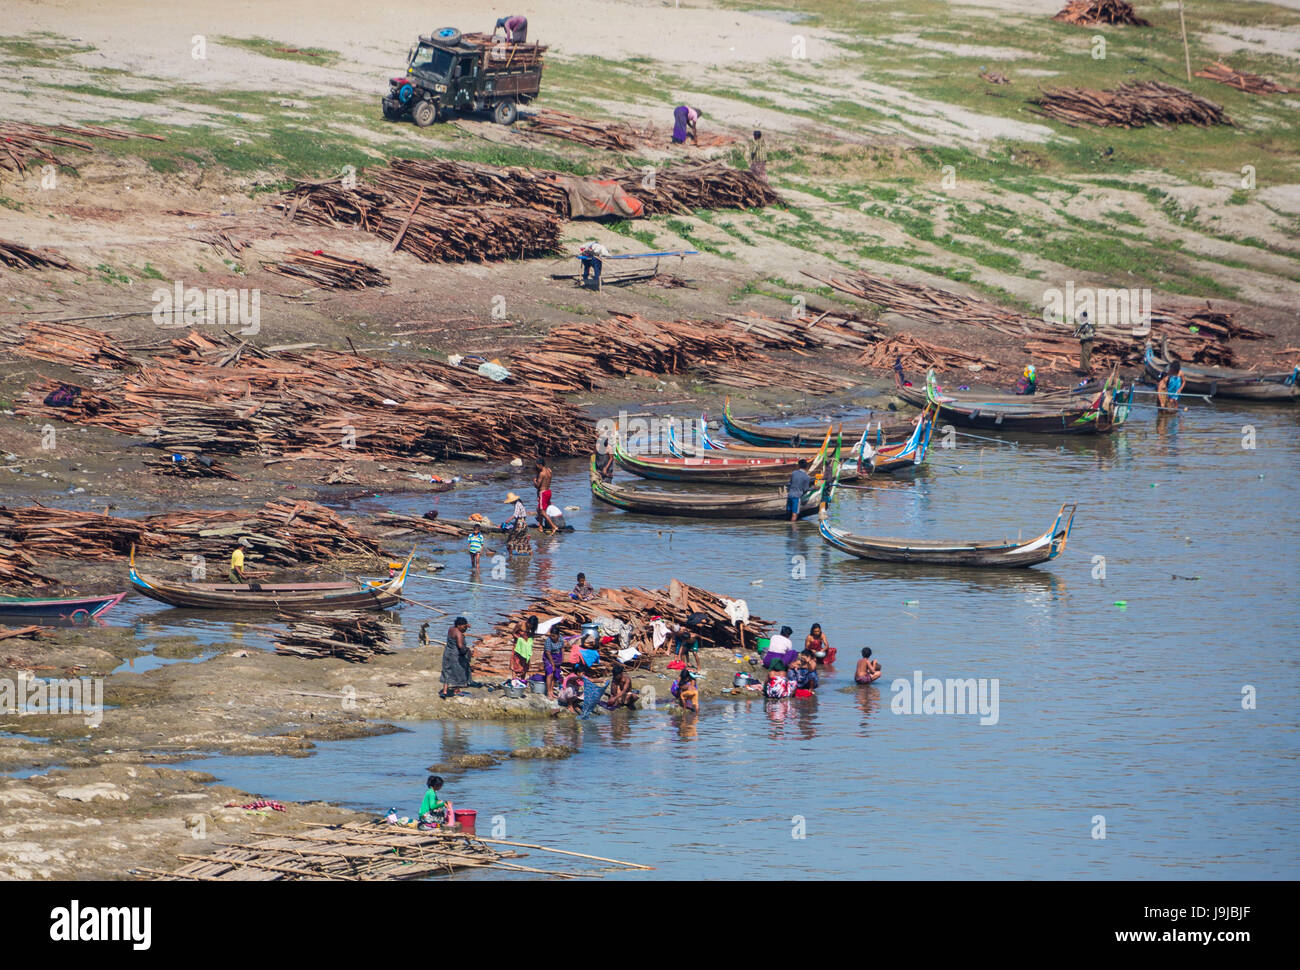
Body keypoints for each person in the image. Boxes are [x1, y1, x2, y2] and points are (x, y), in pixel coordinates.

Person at [440, 617, 472, 699]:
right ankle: (457, 690)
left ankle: (444, 691)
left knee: (447, 671)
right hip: (456, 655)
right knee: (459, 671)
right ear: (459, 625)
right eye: (464, 627)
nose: (465, 629)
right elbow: (460, 646)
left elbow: (459, 630)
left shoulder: (451, 629)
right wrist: (467, 651)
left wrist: (466, 626)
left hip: (447, 653)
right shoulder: (459, 634)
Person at [510, 615, 537, 680]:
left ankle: (522, 680)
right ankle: (514, 680)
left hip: (526, 647)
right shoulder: (520, 624)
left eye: (531, 626)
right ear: (527, 621)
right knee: (516, 663)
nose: (529, 627)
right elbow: (513, 633)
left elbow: (532, 636)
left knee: (524, 663)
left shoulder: (532, 628)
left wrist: (528, 643)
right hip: (518, 645)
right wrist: (520, 640)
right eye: (529, 625)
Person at [543, 625, 566, 699]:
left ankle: (552, 691)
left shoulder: (561, 639)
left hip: (557, 656)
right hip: (548, 657)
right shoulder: (548, 641)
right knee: (550, 673)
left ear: (558, 635)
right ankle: (548, 692)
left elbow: (562, 648)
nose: (552, 637)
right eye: (551, 636)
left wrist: (562, 657)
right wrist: (552, 664)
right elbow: (548, 653)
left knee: (555, 675)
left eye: (554, 636)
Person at [533, 459, 556, 533]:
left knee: (542, 511)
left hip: (543, 493)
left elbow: (538, 486)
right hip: (548, 491)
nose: (536, 466)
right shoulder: (549, 471)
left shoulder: (541, 474)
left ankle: (554, 526)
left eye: (537, 465)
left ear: (540, 465)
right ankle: (540, 526)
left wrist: (534, 481)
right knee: (540, 509)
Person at [1074, 309, 1095, 374]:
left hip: (1088, 341)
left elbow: (1087, 330)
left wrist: (1079, 330)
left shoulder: (1087, 324)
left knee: (1086, 355)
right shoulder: (1085, 324)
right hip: (1085, 341)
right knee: (1083, 355)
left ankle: (1089, 370)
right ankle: (1083, 369)